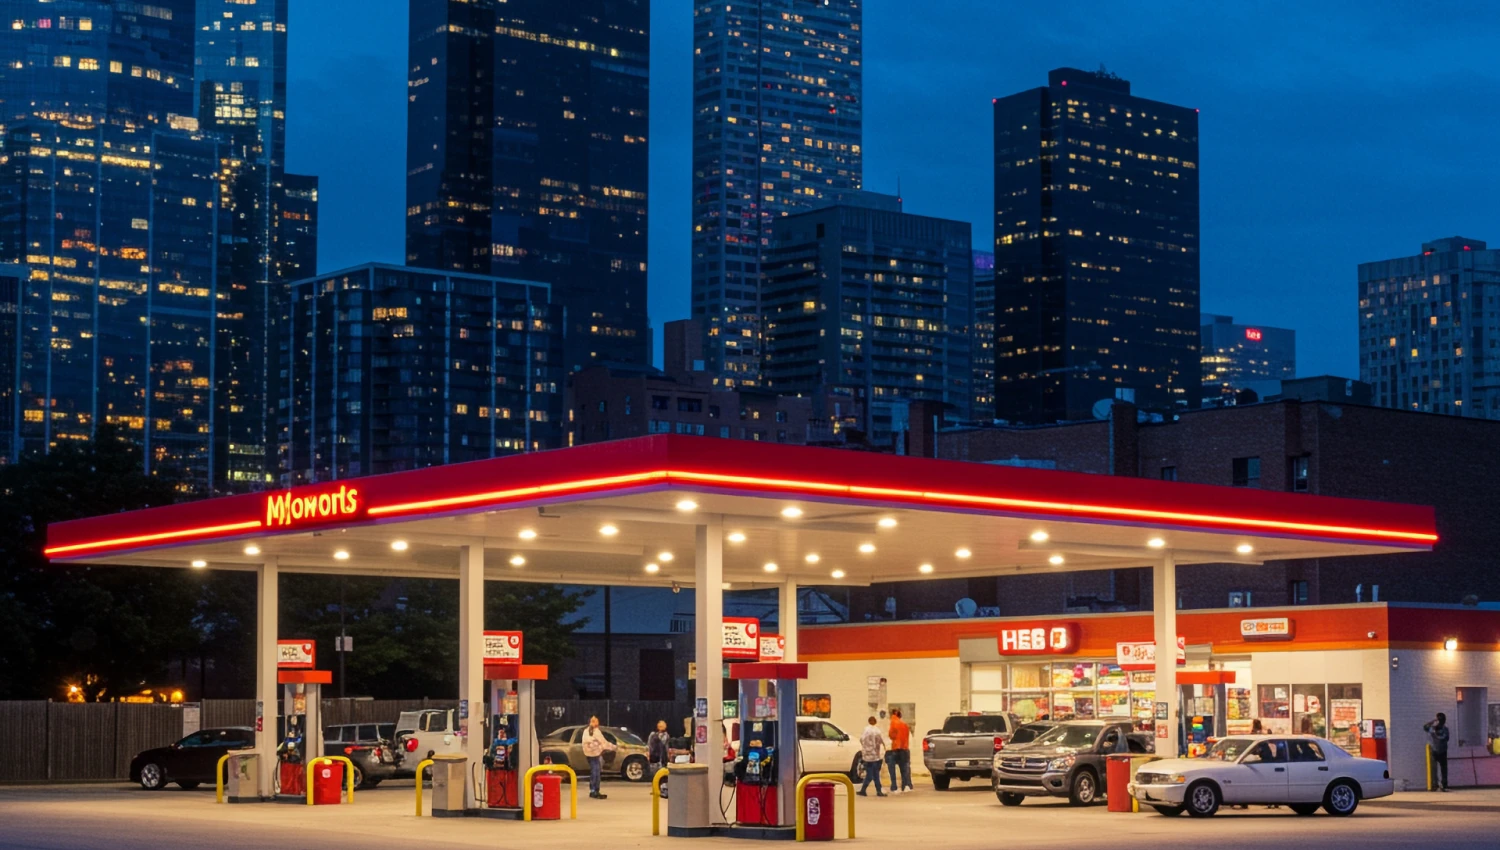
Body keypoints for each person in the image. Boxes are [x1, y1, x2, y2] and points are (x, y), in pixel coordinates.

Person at [581, 716, 616, 799]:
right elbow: (604, 742)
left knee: (595, 771)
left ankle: (594, 790)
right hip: (594, 755)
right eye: (595, 721)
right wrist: (614, 747)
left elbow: (586, 743)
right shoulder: (596, 731)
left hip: (589, 755)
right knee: (596, 772)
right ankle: (594, 790)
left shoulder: (586, 731)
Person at [857, 716, 886, 797]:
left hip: (867, 756)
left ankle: (865, 790)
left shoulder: (865, 730)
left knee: (872, 774)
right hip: (875, 756)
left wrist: (866, 749)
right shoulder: (877, 731)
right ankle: (877, 791)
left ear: (869, 721)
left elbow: (861, 740)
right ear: (875, 722)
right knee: (874, 774)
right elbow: (881, 741)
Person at [886, 709, 913, 794]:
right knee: (904, 768)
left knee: (892, 768)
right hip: (904, 748)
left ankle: (894, 786)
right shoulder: (904, 725)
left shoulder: (893, 722)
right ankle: (905, 785)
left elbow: (891, 735)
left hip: (896, 748)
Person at [1424, 713, 1450, 791]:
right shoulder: (1445, 729)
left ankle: (1436, 785)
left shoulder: (1433, 729)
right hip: (1442, 750)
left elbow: (1425, 727)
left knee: (1436, 769)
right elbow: (1447, 739)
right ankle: (1442, 785)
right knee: (1442, 769)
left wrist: (1433, 721)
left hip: (1435, 750)